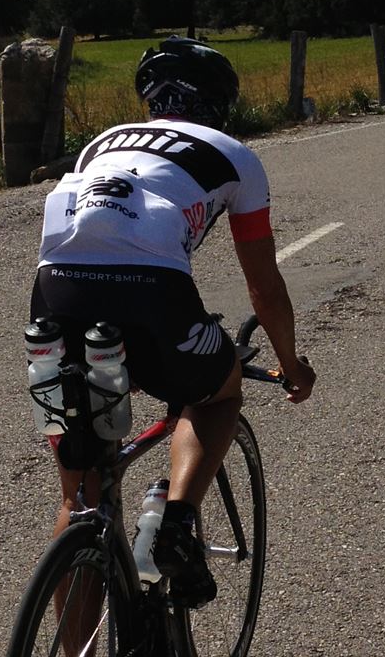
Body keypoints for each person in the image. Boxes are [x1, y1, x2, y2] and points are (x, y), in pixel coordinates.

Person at [31, 36, 315, 605]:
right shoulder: (233, 154)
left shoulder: (101, 143)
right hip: (152, 292)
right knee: (215, 394)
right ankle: (178, 524)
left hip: (55, 288)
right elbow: (263, 284)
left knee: (81, 495)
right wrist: (291, 364)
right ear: (218, 102)